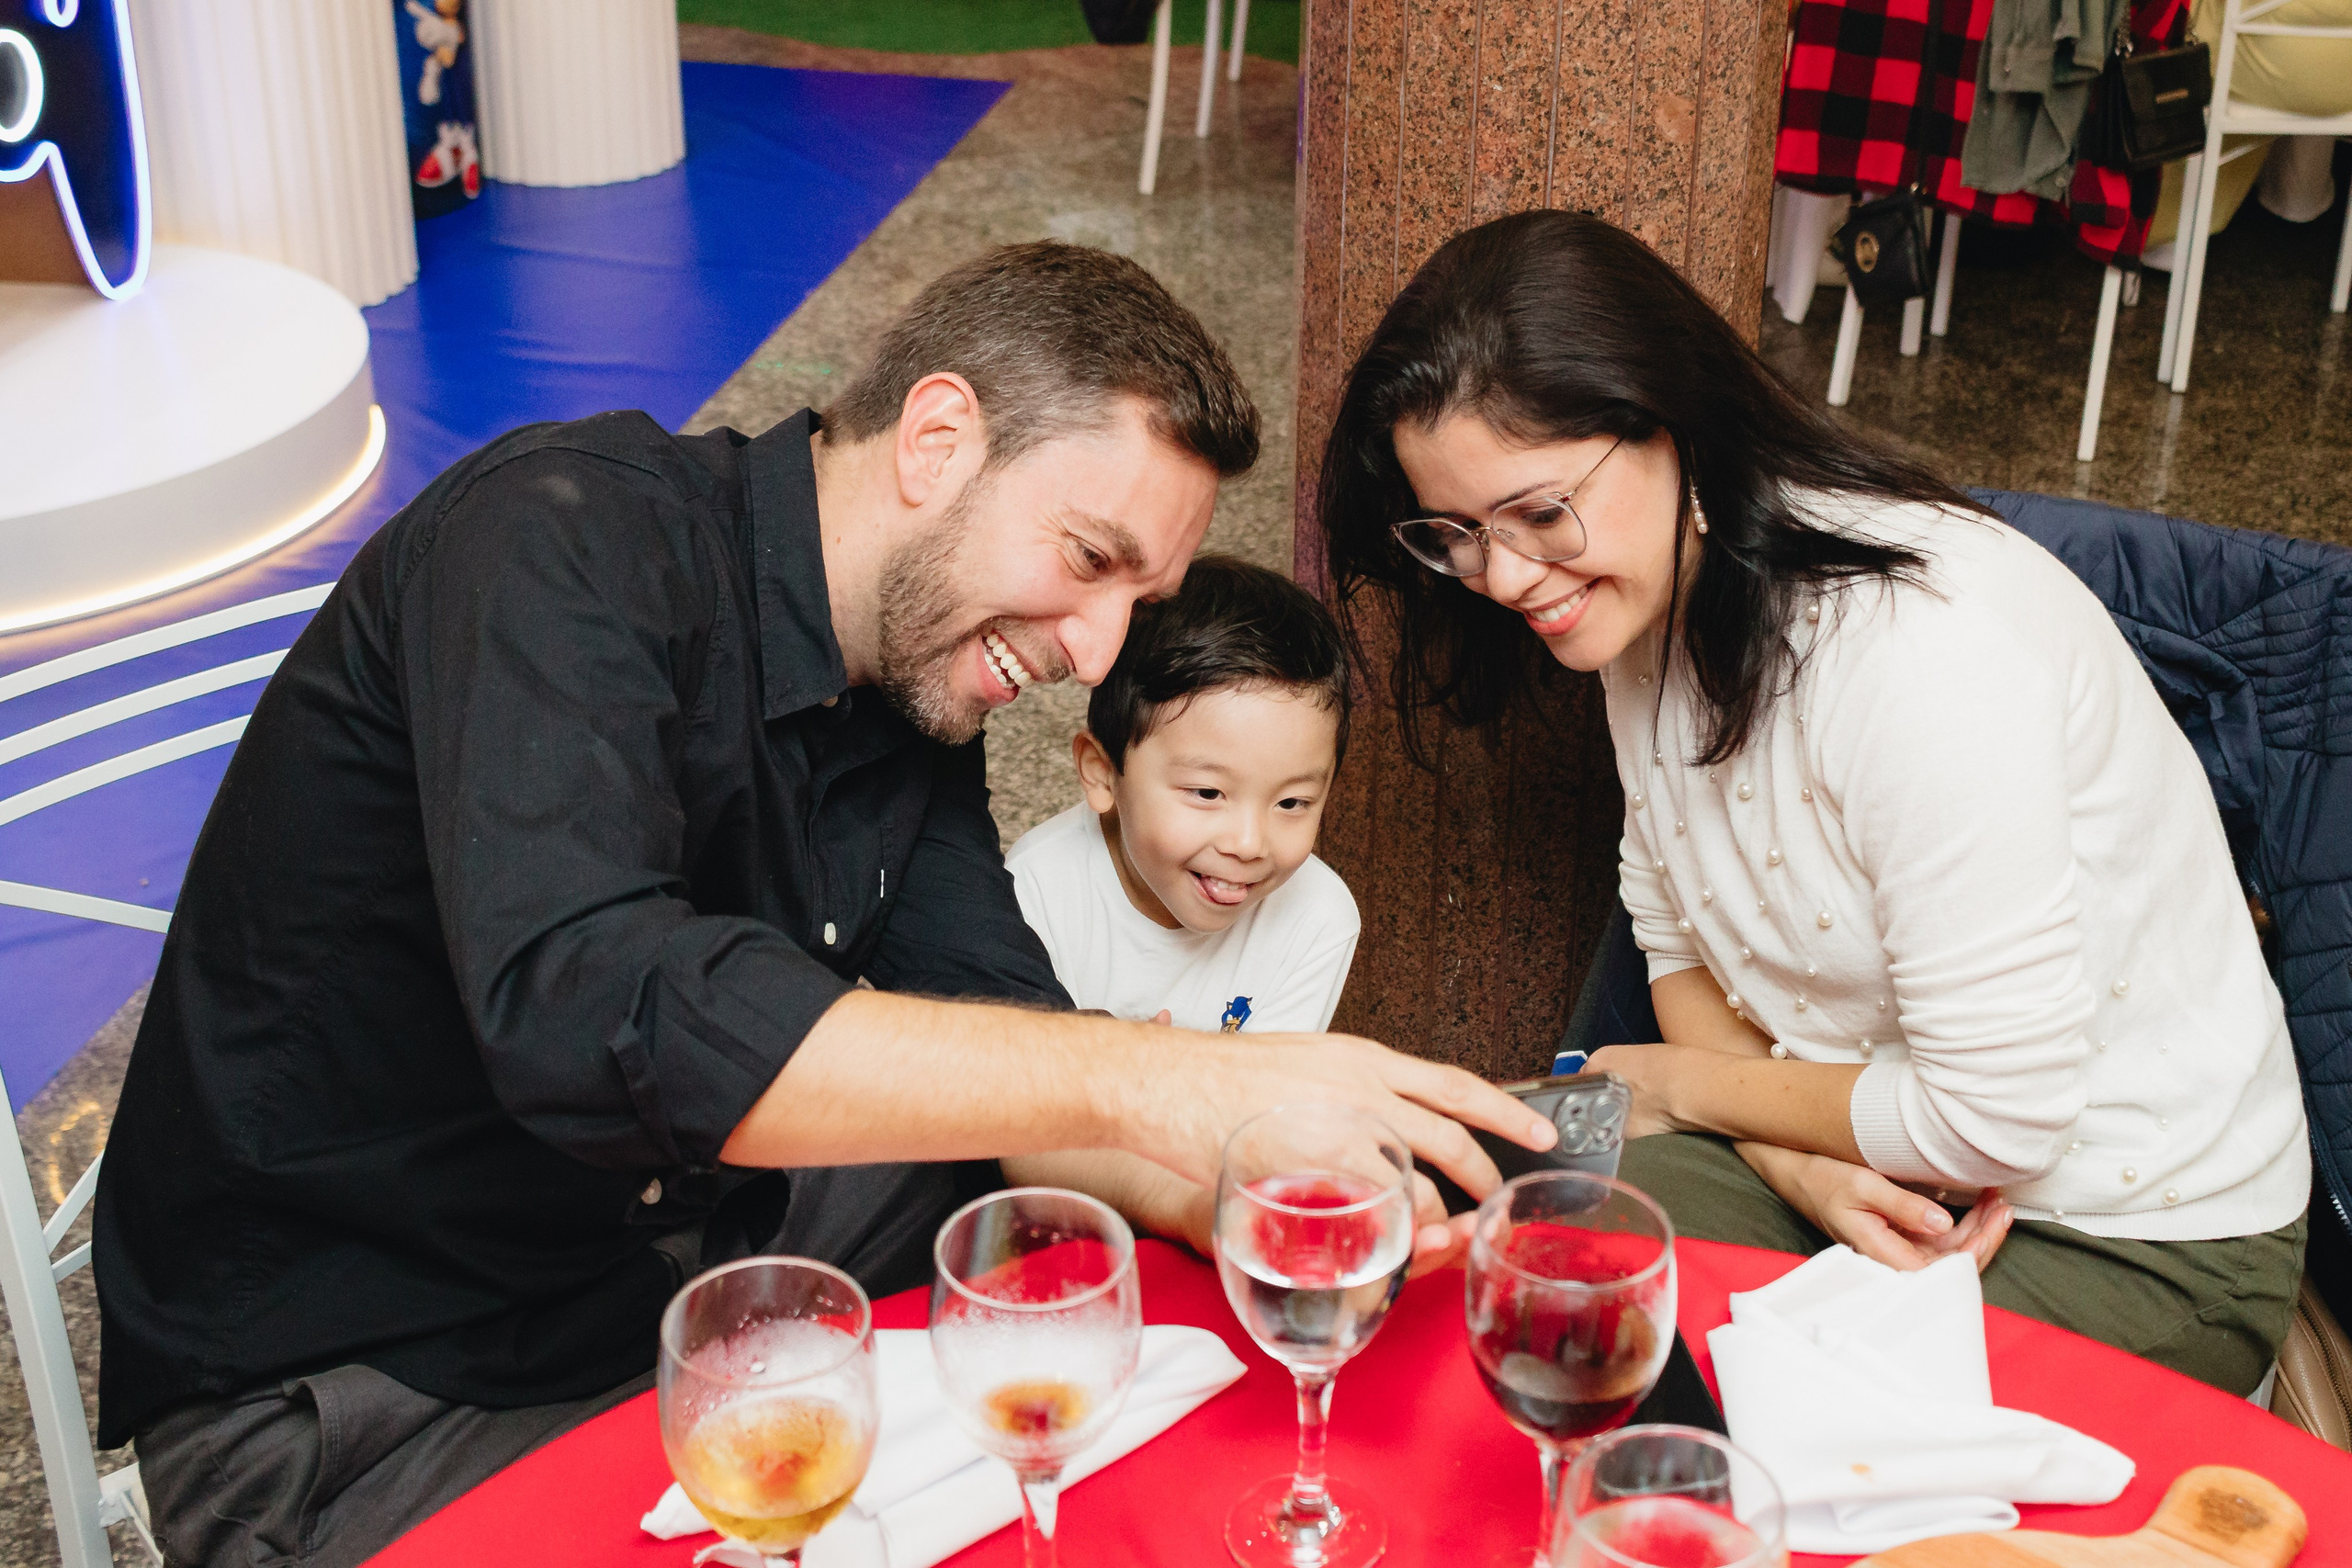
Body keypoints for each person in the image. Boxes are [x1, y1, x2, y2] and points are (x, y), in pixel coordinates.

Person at [94, 241, 1555, 1568]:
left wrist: (1221, 1194)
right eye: (1091, 560)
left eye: (1140, 599)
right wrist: (1178, 1072)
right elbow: (601, 1005)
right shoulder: (559, 538)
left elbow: (1004, 1039)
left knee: (1077, 1277)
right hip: (365, 1377)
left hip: (653, 1269)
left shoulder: (908, 684)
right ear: (936, 439)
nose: (1099, 645)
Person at [1314, 209, 2310, 1395]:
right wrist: (1795, 1164)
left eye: (1539, 513)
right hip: (1873, 1159)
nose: (1508, 577)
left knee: (1723, 1394)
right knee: (1506, 1261)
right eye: (1460, 534)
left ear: (1669, 425)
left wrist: (1673, 1087)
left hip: (2134, 1226)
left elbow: (1998, 1121)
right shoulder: (1645, 597)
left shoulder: (1916, 656)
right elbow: (1677, 934)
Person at [1005, 556, 1363, 1247]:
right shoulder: (1036, 890)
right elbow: (1020, 1131)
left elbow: (1260, 1127)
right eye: (1208, 793)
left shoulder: (1319, 916)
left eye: (1293, 801)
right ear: (1102, 773)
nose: (1250, 841)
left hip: (1216, 1220)